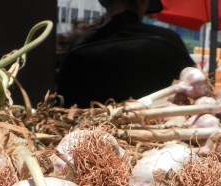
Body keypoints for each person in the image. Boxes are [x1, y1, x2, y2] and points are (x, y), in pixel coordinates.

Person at [56, 0, 194, 107]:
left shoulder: (78, 51)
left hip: (84, 140)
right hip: (162, 140)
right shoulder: (168, 40)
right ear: (143, 2)